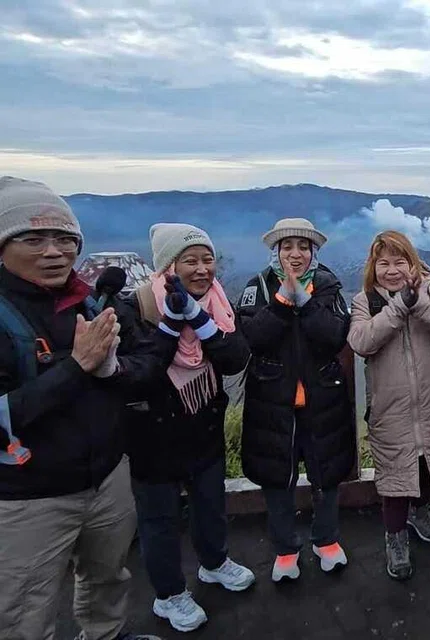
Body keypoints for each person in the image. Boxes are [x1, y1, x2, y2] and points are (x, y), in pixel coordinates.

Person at [0, 176, 160, 640]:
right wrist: (77, 367)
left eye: (65, 239)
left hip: (106, 476)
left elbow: (145, 360)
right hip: (29, 495)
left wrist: (113, 369)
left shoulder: (90, 302)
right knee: (24, 609)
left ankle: (106, 635)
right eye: (33, 239)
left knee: (108, 577)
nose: (54, 252)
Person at [124, 223, 254, 633]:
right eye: (190, 261)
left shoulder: (217, 304)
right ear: (168, 267)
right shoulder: (139, 307)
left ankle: (214, 563)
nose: (202, 269)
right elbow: (140, 374)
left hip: (203, 426)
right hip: (153, 437)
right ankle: (169, 595)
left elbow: (234, 358)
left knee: (210, 505)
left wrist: (199, 320)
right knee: (159, 520)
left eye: (207, 259)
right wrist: (170, 324)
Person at [238, 218, 354, 583]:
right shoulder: (258, 287)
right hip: (273, 402)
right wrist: (283, 301)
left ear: (313, 252)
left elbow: (336, 335)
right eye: (287, 246)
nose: (295, 253)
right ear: (276, 252)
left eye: (303, 246)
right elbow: (251, 337)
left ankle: (327, 540)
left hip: (323, 399)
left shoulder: (328, 286)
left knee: (327, 475)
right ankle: (286, 549)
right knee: (278, 480)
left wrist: (305, 300)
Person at [348, 230, 430, 581]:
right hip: (390, 410)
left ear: (412, 264)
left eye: (399, 262)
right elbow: (361, 341)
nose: (391, 270)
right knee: (395, 481)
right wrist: (400, 305)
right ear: (373, 267)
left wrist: (421, 303)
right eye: (383, 263)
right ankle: (395, 536)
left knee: (426, 467)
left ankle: (420, 512)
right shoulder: (365, 301)